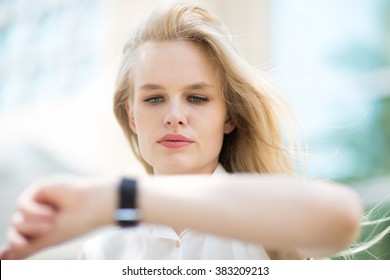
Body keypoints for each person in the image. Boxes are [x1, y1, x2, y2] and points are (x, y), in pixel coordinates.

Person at [0, 0, 363, 260]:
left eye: (197, 98)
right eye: (154, 99)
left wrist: (116, 199)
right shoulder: (102, 252)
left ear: (229, 117)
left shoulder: (270, 228)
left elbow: (341, 216)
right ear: (132, 117)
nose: (174, 116)